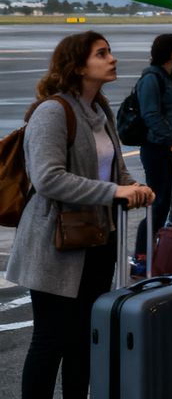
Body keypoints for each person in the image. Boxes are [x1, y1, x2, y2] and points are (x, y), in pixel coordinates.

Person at [6, 32, 154, 399]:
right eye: (101, 53)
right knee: (50, 340)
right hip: (56, 243)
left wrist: (134, 186)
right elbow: (48, 178)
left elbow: (115, 170)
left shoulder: (100, 111)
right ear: (77, 65)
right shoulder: (53, 111)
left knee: (85, 338)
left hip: (97, 239)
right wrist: (114, 192)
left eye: (110, 51)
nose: (112, 58)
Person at [132, 33, 172, 277]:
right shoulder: (151, 79)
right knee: (156, 204)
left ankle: (155, 251)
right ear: (169, 52)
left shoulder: (171, 77)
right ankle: (140, 256)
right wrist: (171, 143)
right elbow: (151, 115)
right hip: (157, 148)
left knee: (165, 202)